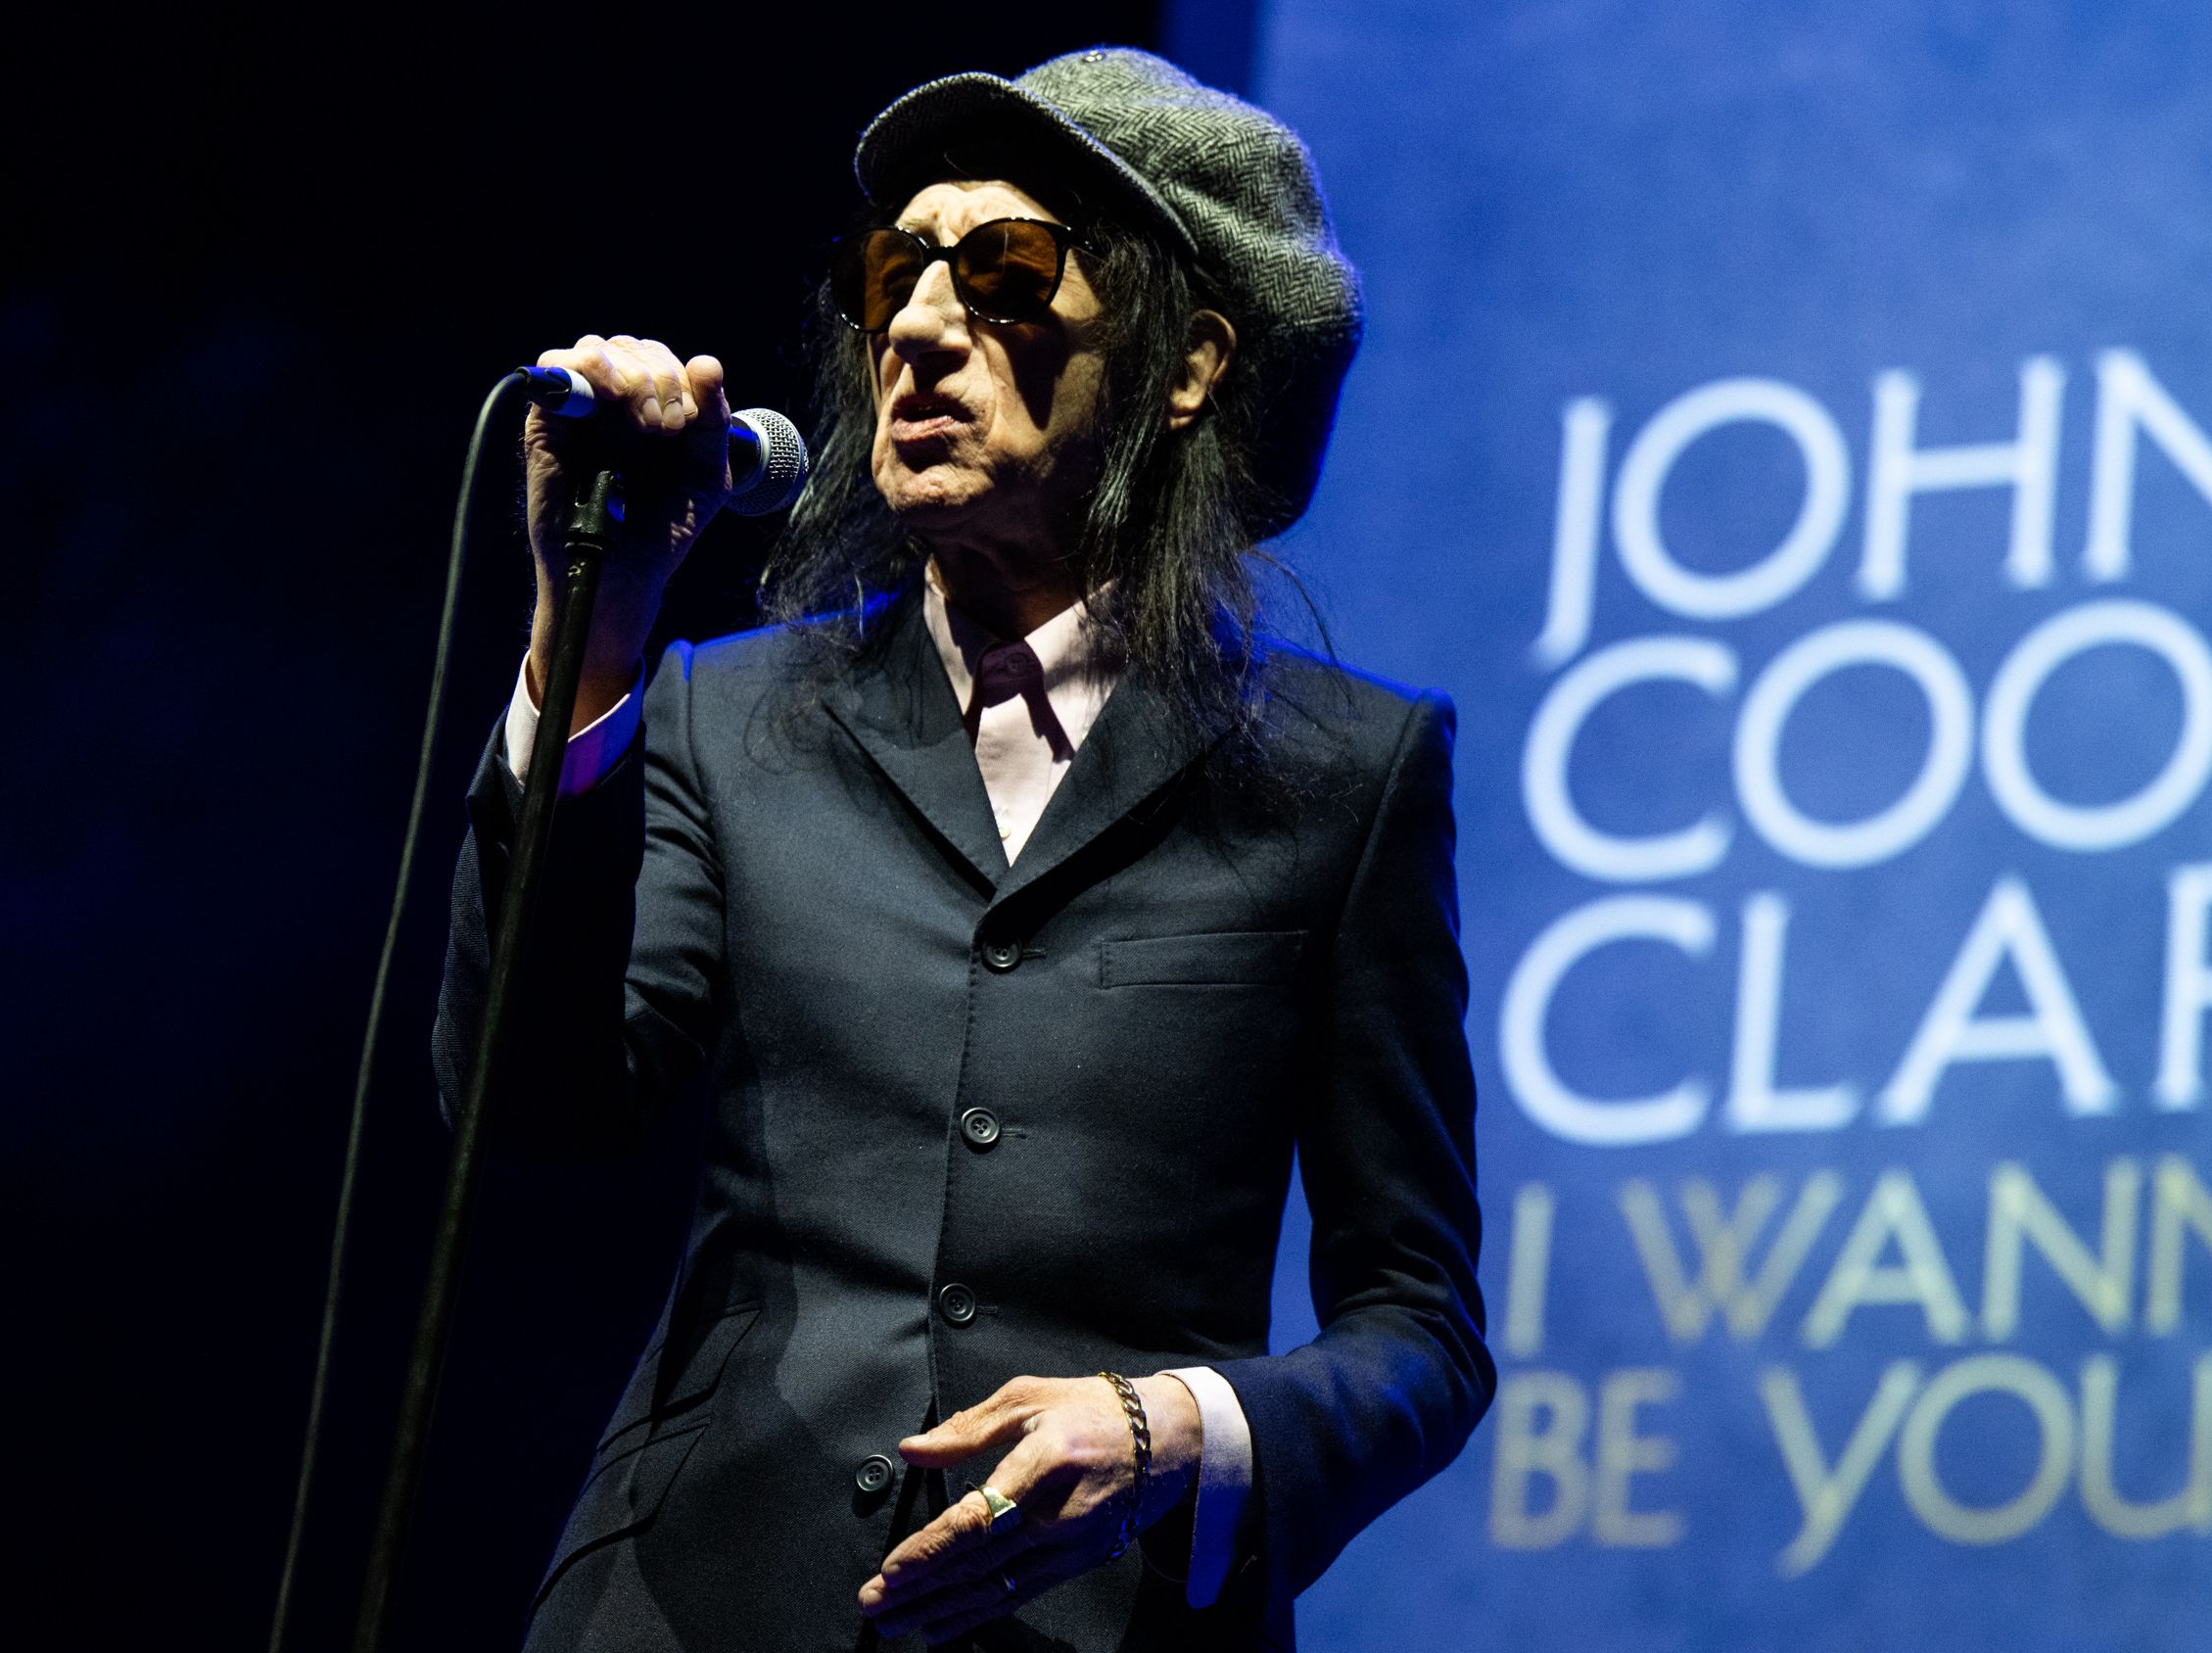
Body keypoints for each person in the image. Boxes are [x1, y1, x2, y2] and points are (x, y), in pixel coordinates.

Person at [435, 47, 1493, 1651]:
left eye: (1002, 272)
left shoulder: (1345, 776)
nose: (916, 327)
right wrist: (593, 646)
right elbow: (539, 1101)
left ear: (1187, 361)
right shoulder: (731, 716)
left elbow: (1418, 1327)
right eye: (893, 271)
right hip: (695, 1602)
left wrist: (1175, 1430)